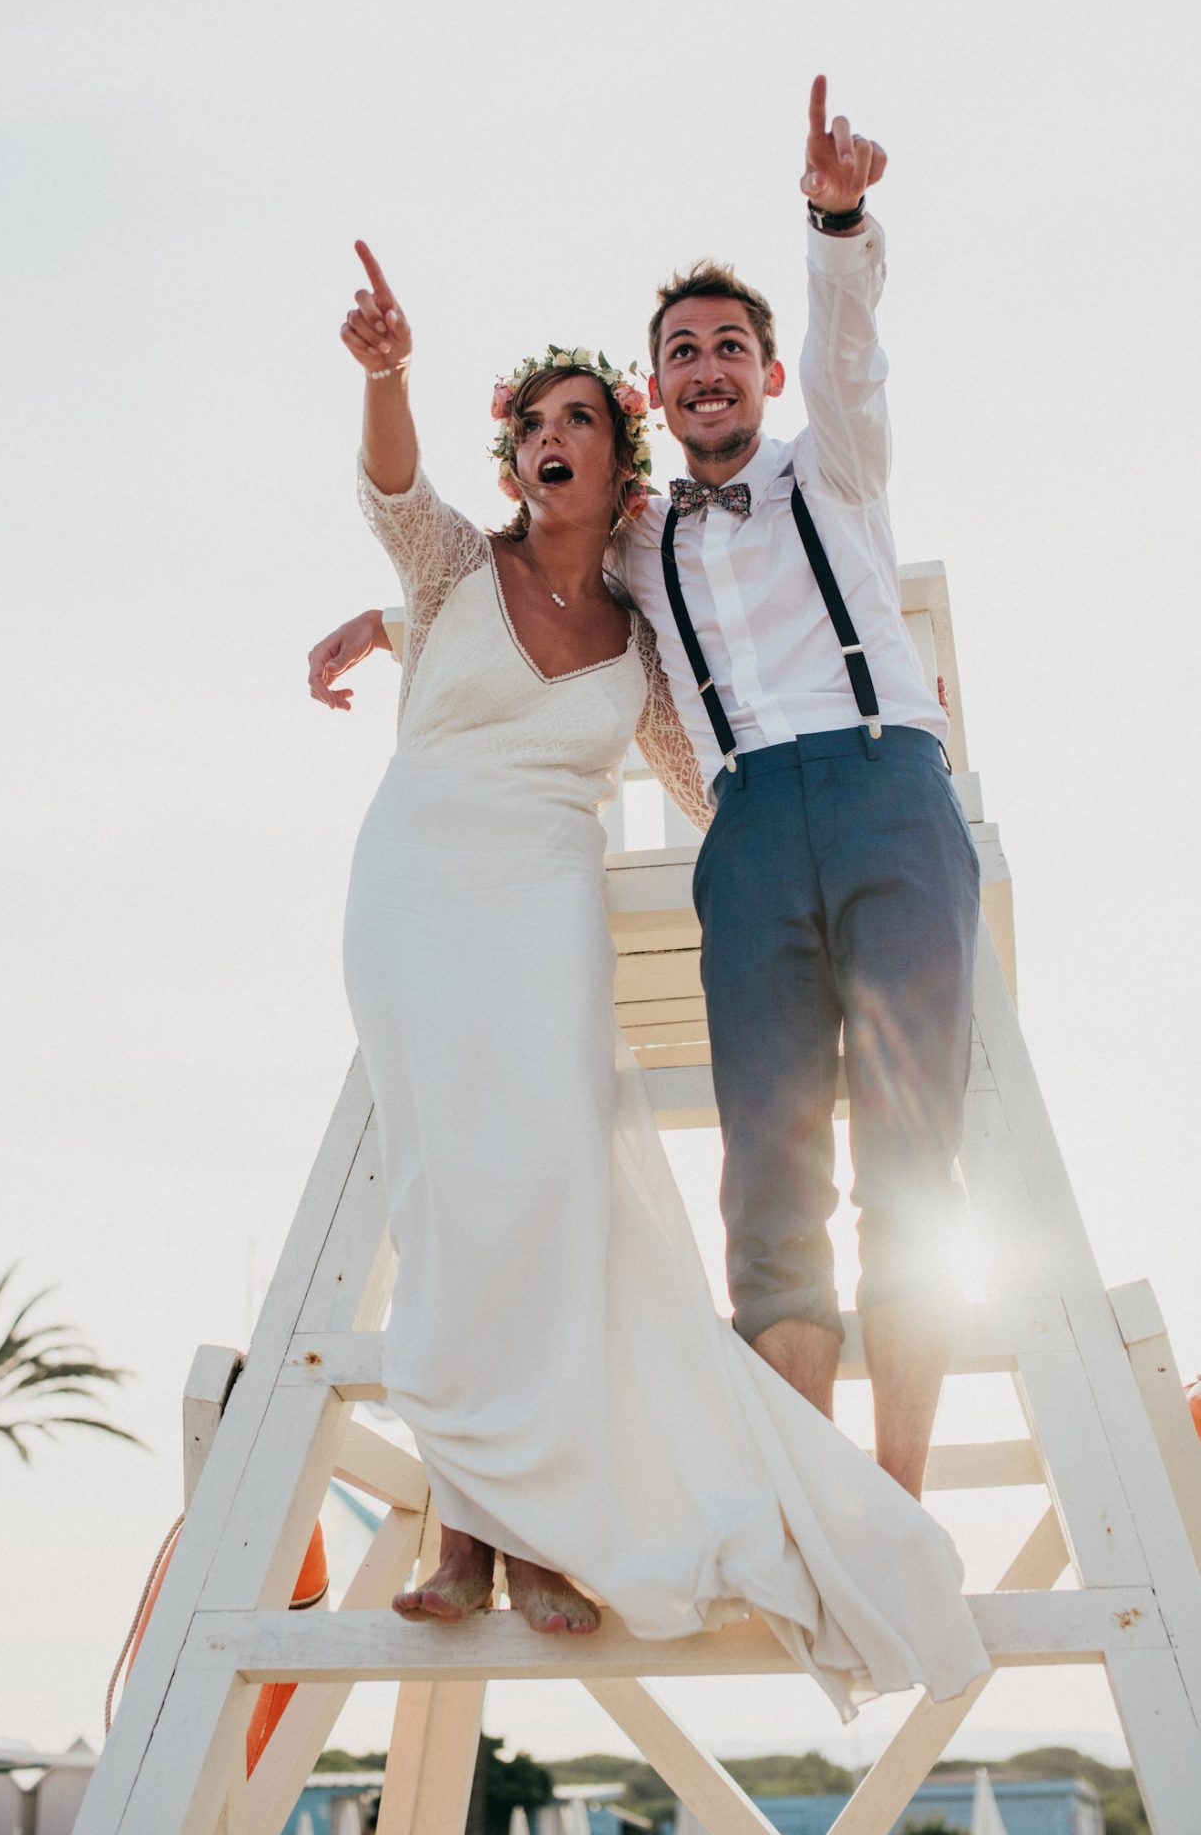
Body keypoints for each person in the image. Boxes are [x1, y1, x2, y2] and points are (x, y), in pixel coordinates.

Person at [333, 233, 988, 1714]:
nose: (554, 439)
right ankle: (493, 1516)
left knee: (638, 1181)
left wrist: (837, 244)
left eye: (580, 420)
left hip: (771, 832)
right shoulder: (538, 561)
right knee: (527, 1184)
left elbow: (713, 760)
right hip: (472, 882)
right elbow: (408, 523)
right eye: (536, 424)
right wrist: (388, 396)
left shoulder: (731, 539)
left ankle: (808, 1505)